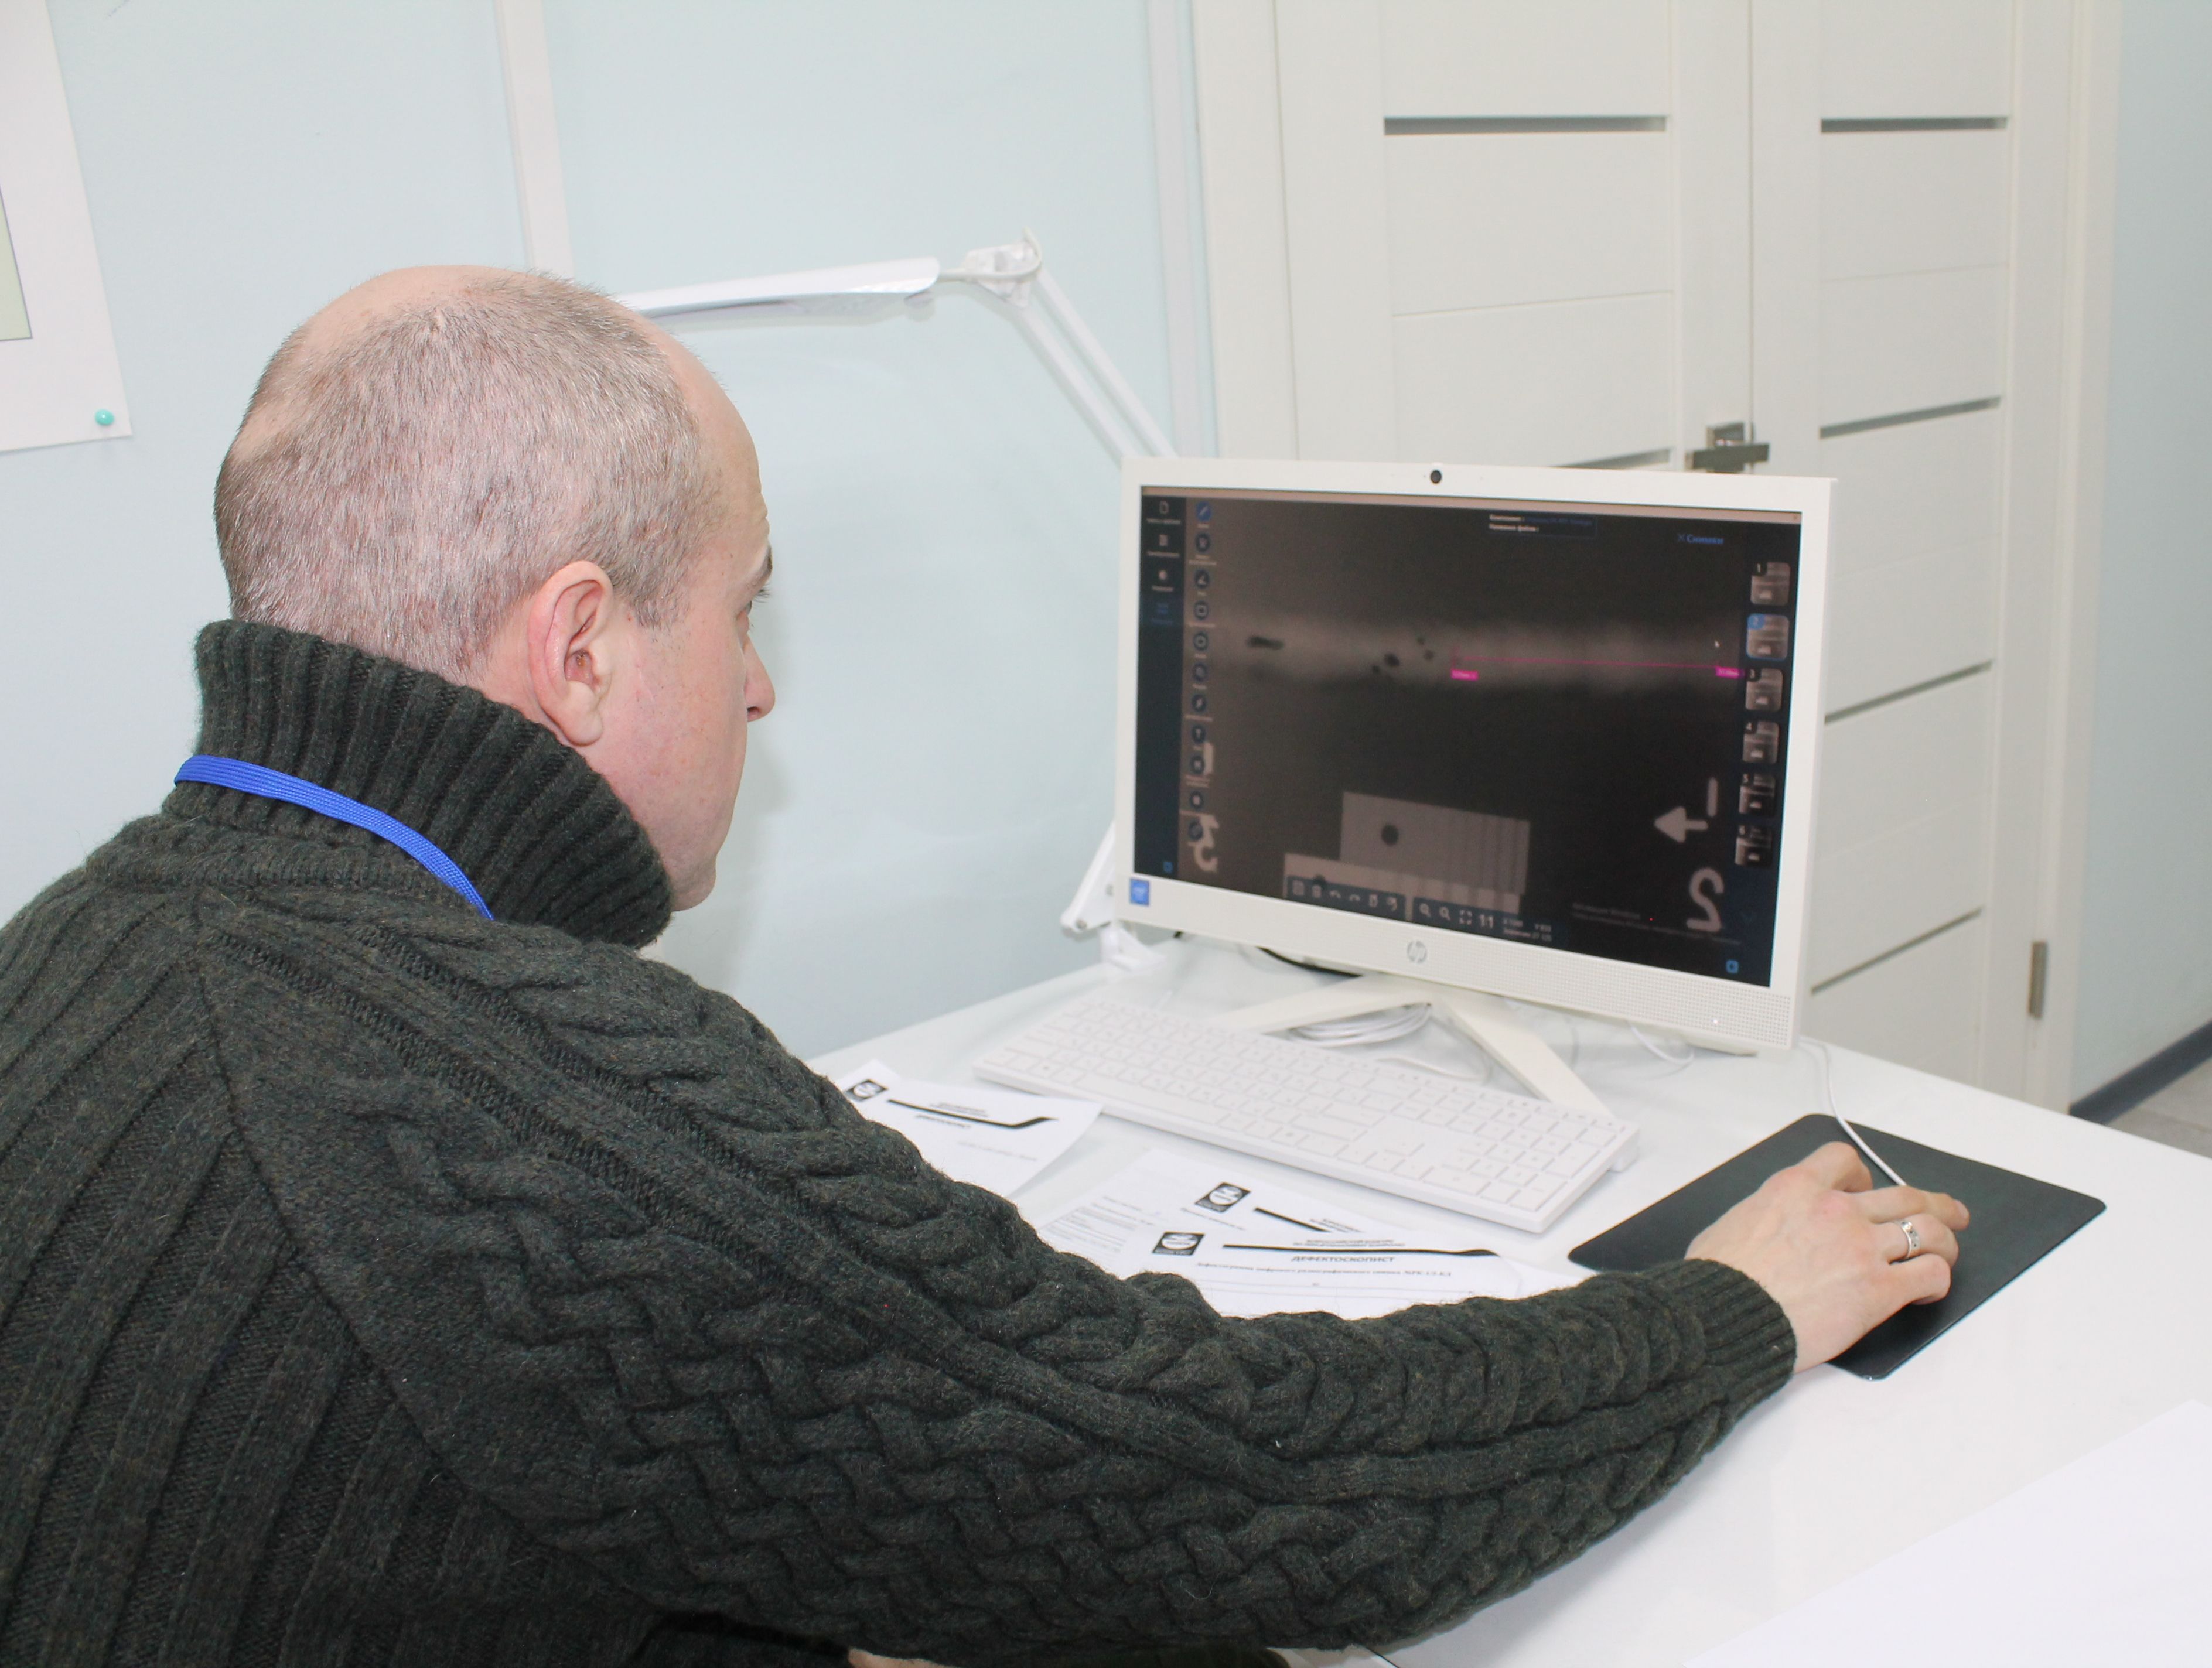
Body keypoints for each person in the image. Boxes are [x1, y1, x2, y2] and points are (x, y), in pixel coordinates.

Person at [0, 267, 1969, 1668]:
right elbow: (1276, 1487)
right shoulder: (545, 1115)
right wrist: (1731, 1310)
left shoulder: (76, 952)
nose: (760, 687)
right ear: (579, 648)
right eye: (744, 610)